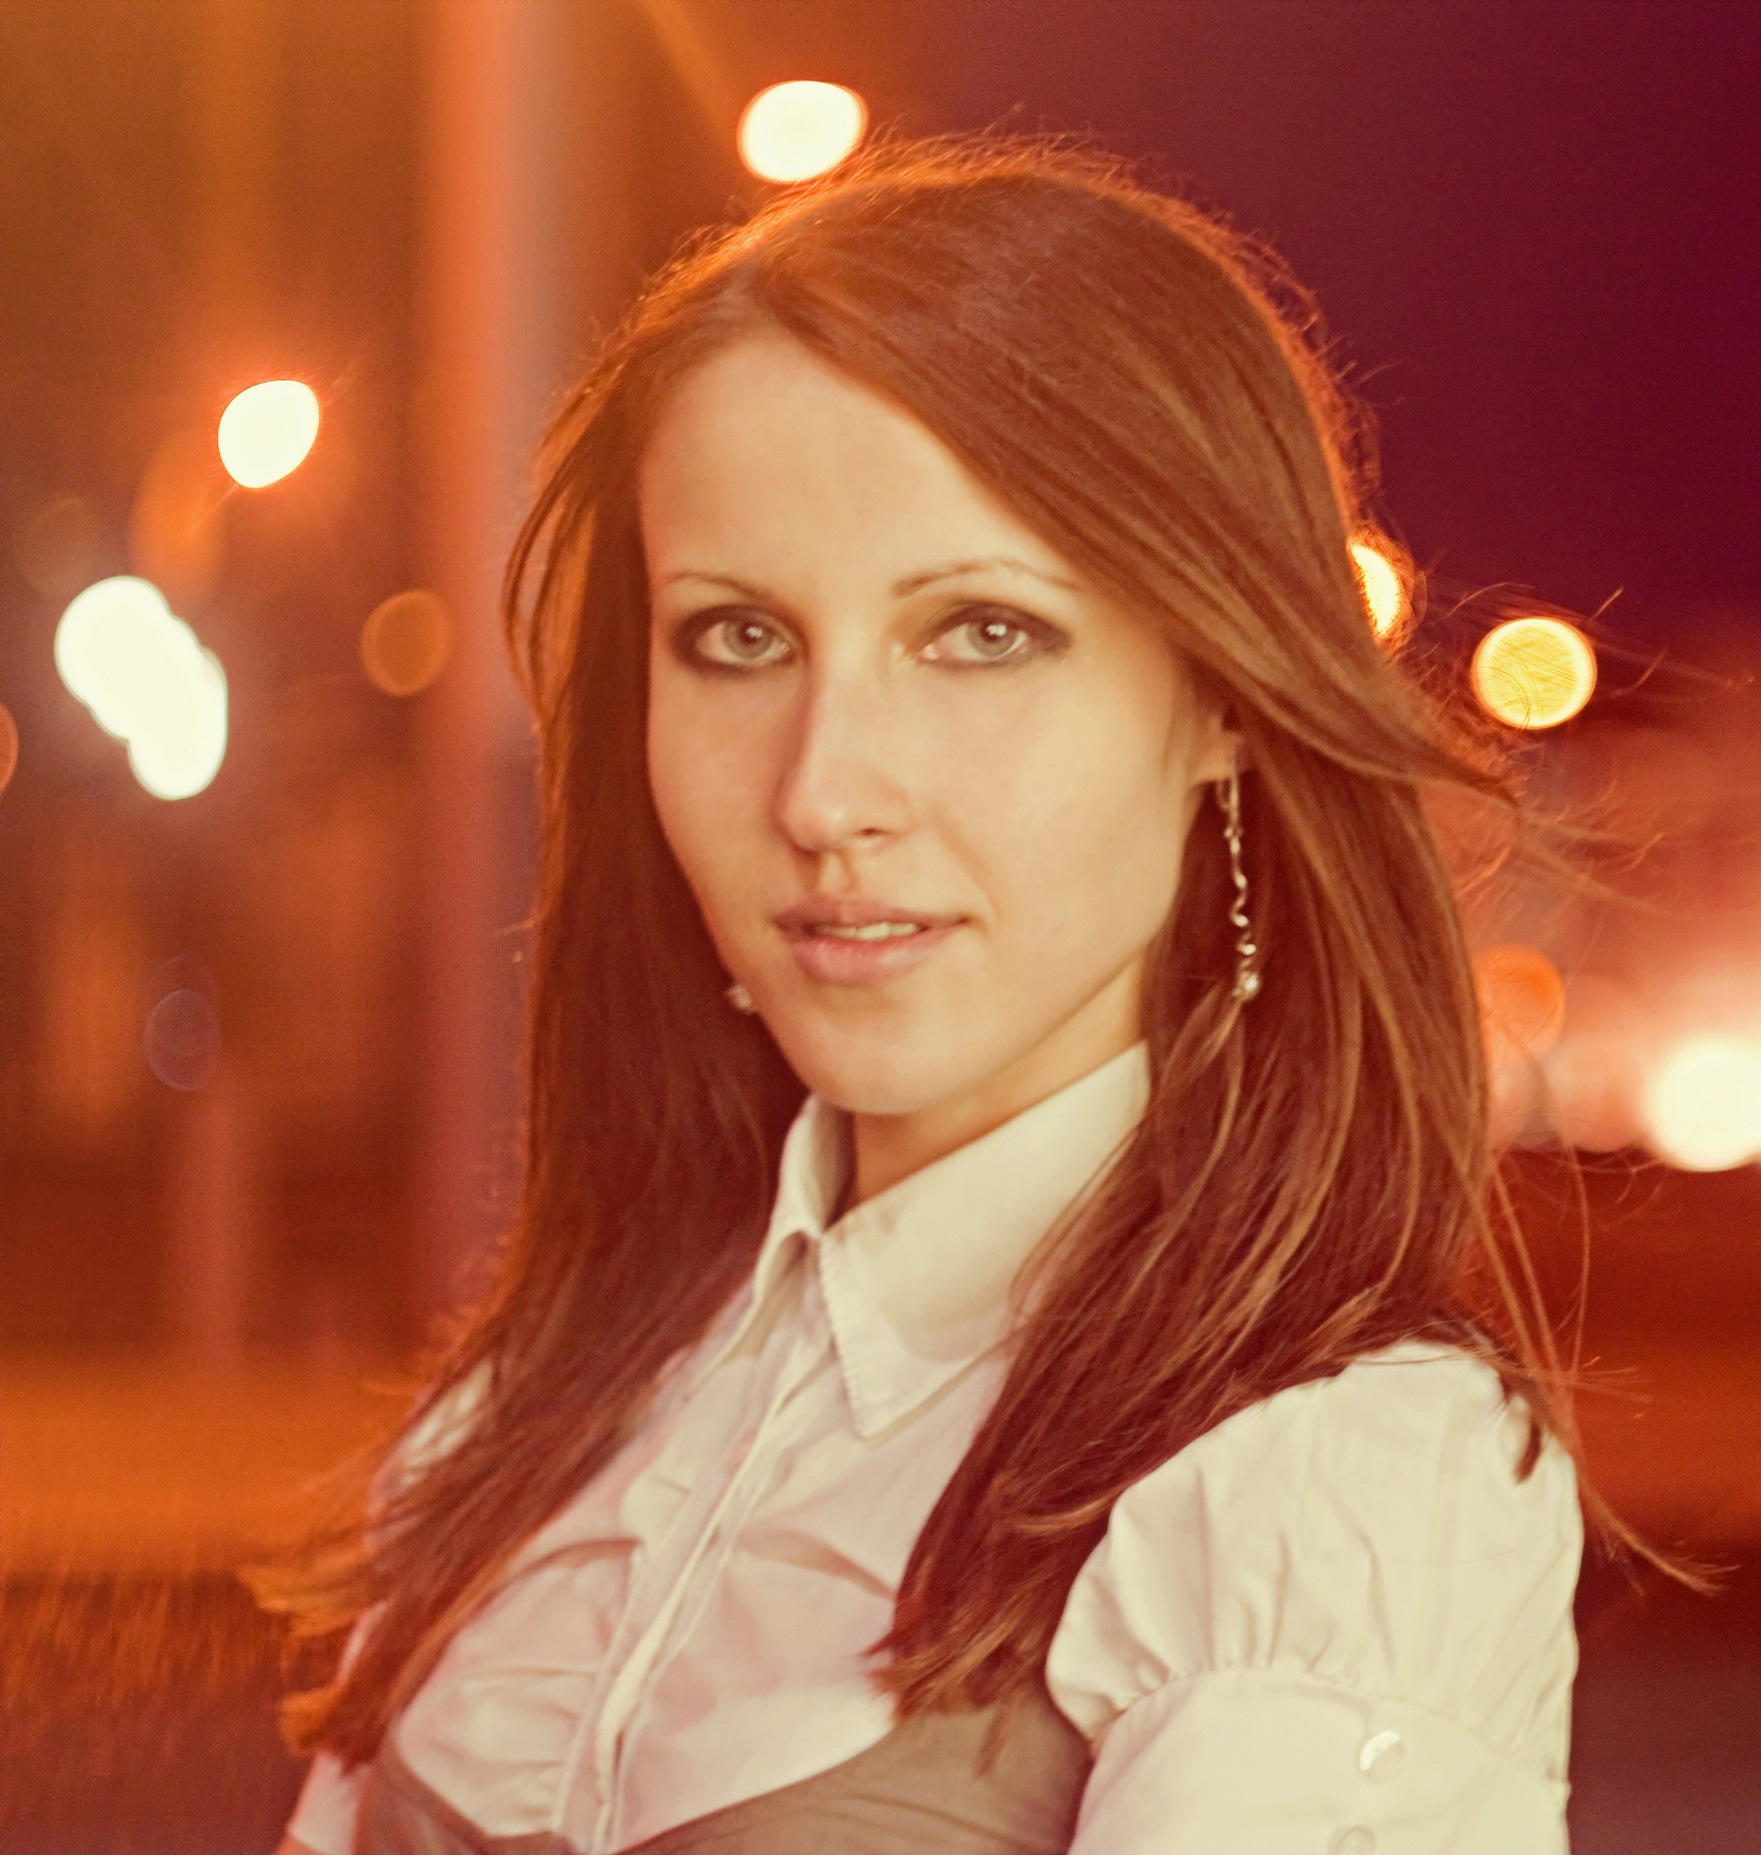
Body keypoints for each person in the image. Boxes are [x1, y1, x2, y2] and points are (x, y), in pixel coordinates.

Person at [265, 132, 1590, 1855]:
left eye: (981, 632)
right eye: (739, 639)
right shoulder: (529, 1416)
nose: (824, 793)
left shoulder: (1333, 1474)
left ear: (1224, 698)